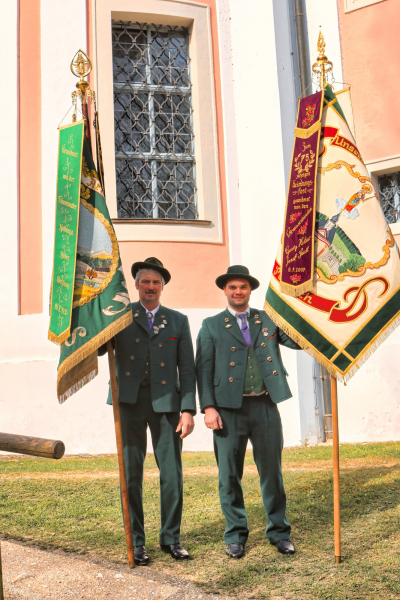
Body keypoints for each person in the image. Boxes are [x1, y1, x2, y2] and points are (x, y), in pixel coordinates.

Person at [196, 265, 300, 559]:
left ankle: (279, 532)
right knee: (229, 475)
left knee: (272, 473)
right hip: (228, 410)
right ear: (225, 291)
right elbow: (203, 370)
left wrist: (303, 315)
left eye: (243, 287)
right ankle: (235, 535)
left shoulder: (268, 318)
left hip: (265, 405)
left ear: (250, 290)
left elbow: (296, 341)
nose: (238, 292)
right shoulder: (211, 325)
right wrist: (208, 408)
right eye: (232, 287)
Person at [99, 257, 196, 565]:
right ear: (136, 285)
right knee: (131, 473)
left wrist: (188, 409)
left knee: (172, 474)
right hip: (128, 402)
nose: (150, 287)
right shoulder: (120, 316)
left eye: (156, 282)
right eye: (145, 282)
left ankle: (171, 538)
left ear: (162, 286)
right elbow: (98, 347)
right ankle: (137, 541)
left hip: (167, 403)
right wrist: (94, 313)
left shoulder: (177, 320)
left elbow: (187, 369)